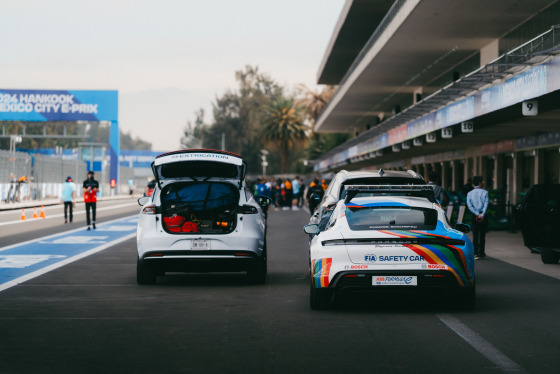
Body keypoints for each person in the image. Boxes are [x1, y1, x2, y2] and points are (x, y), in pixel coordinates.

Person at [466, 175, 489, 259]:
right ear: (479, 182)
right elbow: (486, 204)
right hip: (483, 216)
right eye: (482, 181)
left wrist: (476, 214)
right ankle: (482, 252)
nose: (483, 182)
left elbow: (470, 206)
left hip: (474, 215)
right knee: (482, 234)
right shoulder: (485, 192)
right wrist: (482, 214)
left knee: (475, 234)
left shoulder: (469, 193)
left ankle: (475, 252)